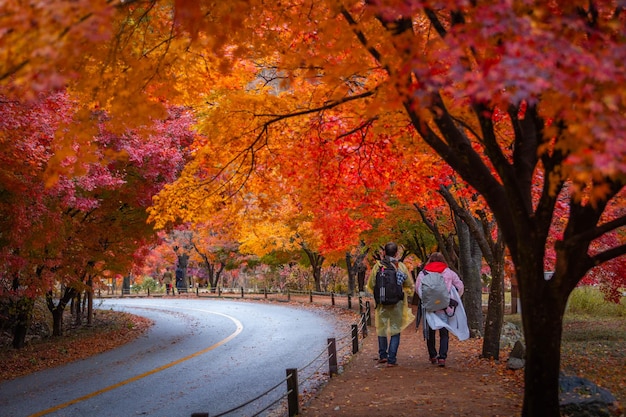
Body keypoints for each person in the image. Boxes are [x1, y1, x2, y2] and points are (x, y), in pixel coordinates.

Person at [415, 252, 468, 367]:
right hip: (445, 307)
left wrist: (426, 300)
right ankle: (442, 357)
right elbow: (460, 286)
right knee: (444, 333)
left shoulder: (423, 273)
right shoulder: (449, 272)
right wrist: (454, 297)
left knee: (430, 332)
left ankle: (433, 355)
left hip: (430, 307)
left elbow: (418, 288)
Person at [366, 242, 415, 367]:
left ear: (384, 253)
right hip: (397, 304)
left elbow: (371, 285)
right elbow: (409, 285)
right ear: (396, 253)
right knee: (395, 330)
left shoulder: (378, 267)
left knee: (381, 329)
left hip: (381, 304)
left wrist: (379, 294)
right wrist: (405, 292)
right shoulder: (401, 267)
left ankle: (383, 355)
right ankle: (391, 359)